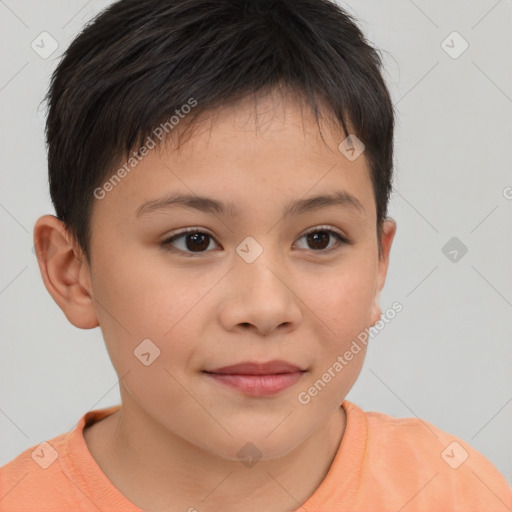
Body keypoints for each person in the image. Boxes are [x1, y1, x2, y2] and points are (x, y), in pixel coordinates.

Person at [1, 0, 510, 510]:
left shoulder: (453, 491)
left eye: (319, 239)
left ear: (379, 263)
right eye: (193, 240)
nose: (266, 309)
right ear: (73, 272)